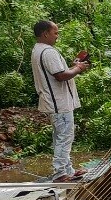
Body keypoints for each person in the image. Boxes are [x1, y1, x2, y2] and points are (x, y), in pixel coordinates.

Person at [31, 20, 89, 181]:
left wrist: (73, 67)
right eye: (55, 33)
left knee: (61, 137)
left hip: (55, 101)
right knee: (64, 137)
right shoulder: (48, 52)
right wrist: (78, 68)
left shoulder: (38, 49)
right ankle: (60, 172)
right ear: (45, 34)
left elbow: (59, 72)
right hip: (59, 102)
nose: (57, 36)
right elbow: (60, 76)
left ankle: (67, 169)